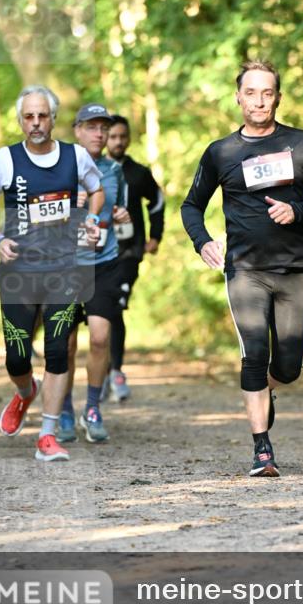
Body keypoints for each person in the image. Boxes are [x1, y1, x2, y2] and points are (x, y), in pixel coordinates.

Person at [181, 60, 303, 478]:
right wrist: (203, 241)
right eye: (250, 93)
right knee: (254, 354)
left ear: (278, 98)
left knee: (287, 368)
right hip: (245, 269)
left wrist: (297, 211)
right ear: (238, 97)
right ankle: (262, 449)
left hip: (294, 267)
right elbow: (191, 205)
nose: (259, 101)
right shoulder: (221, 152)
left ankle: (263, 391)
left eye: (266, 93)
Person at [0, 86, 104, 462]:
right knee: (17, 357)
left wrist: (92, 220)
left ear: (53, 119)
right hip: (19, 271)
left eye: (42, 115)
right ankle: (25, 390)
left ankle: (47, 435)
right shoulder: (6, 158)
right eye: (29, 116)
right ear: (20, 120)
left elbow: (96, 191)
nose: (35, 123)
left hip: (64, 268)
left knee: (58, 351)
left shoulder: (76, 156)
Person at [58, 104, 131, 444]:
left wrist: (121, 217)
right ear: (77, 130)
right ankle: (63, 409)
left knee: (101, 338)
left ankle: (92, 408)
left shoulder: (114, 170)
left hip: (105, 261)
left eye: (103, 127)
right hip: (67, 265)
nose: (99, 134)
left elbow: (121, 214)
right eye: (91, 127)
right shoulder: (60, 167)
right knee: (67, 344)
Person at [102, 114, 165, 401]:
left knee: (116, 306)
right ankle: (102, 373)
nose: (118, 142)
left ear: (128, 139)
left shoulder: (139, 173)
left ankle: (116, 372)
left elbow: (157, 201)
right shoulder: (92, 170)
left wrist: (155, 236)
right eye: (113, 136)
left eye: (122, 137)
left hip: (129, 252)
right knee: (102, 312)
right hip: (97, 254)